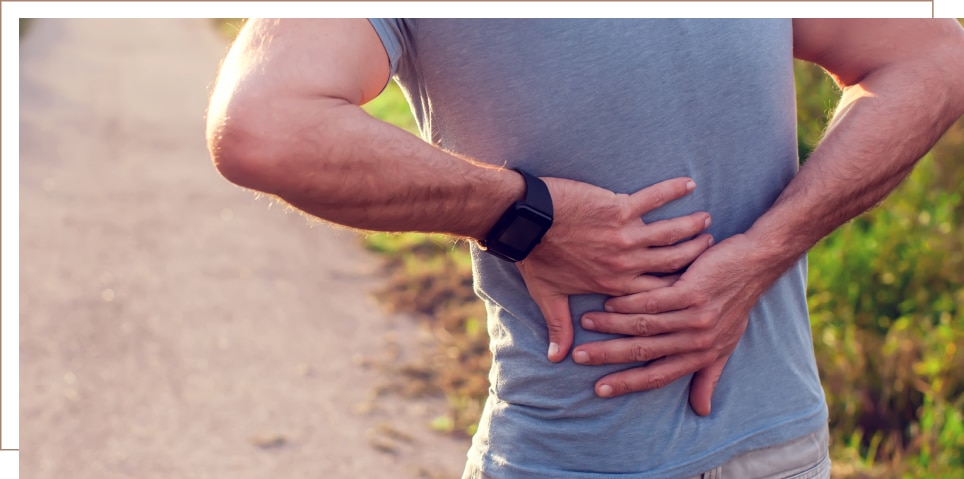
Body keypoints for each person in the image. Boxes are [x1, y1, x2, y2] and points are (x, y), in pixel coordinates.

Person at [206, 18, 964, 479]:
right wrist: (523, 212)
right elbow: (262, 125)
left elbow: (933, 57)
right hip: (573, 455)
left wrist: (763, 253)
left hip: (781, 448)